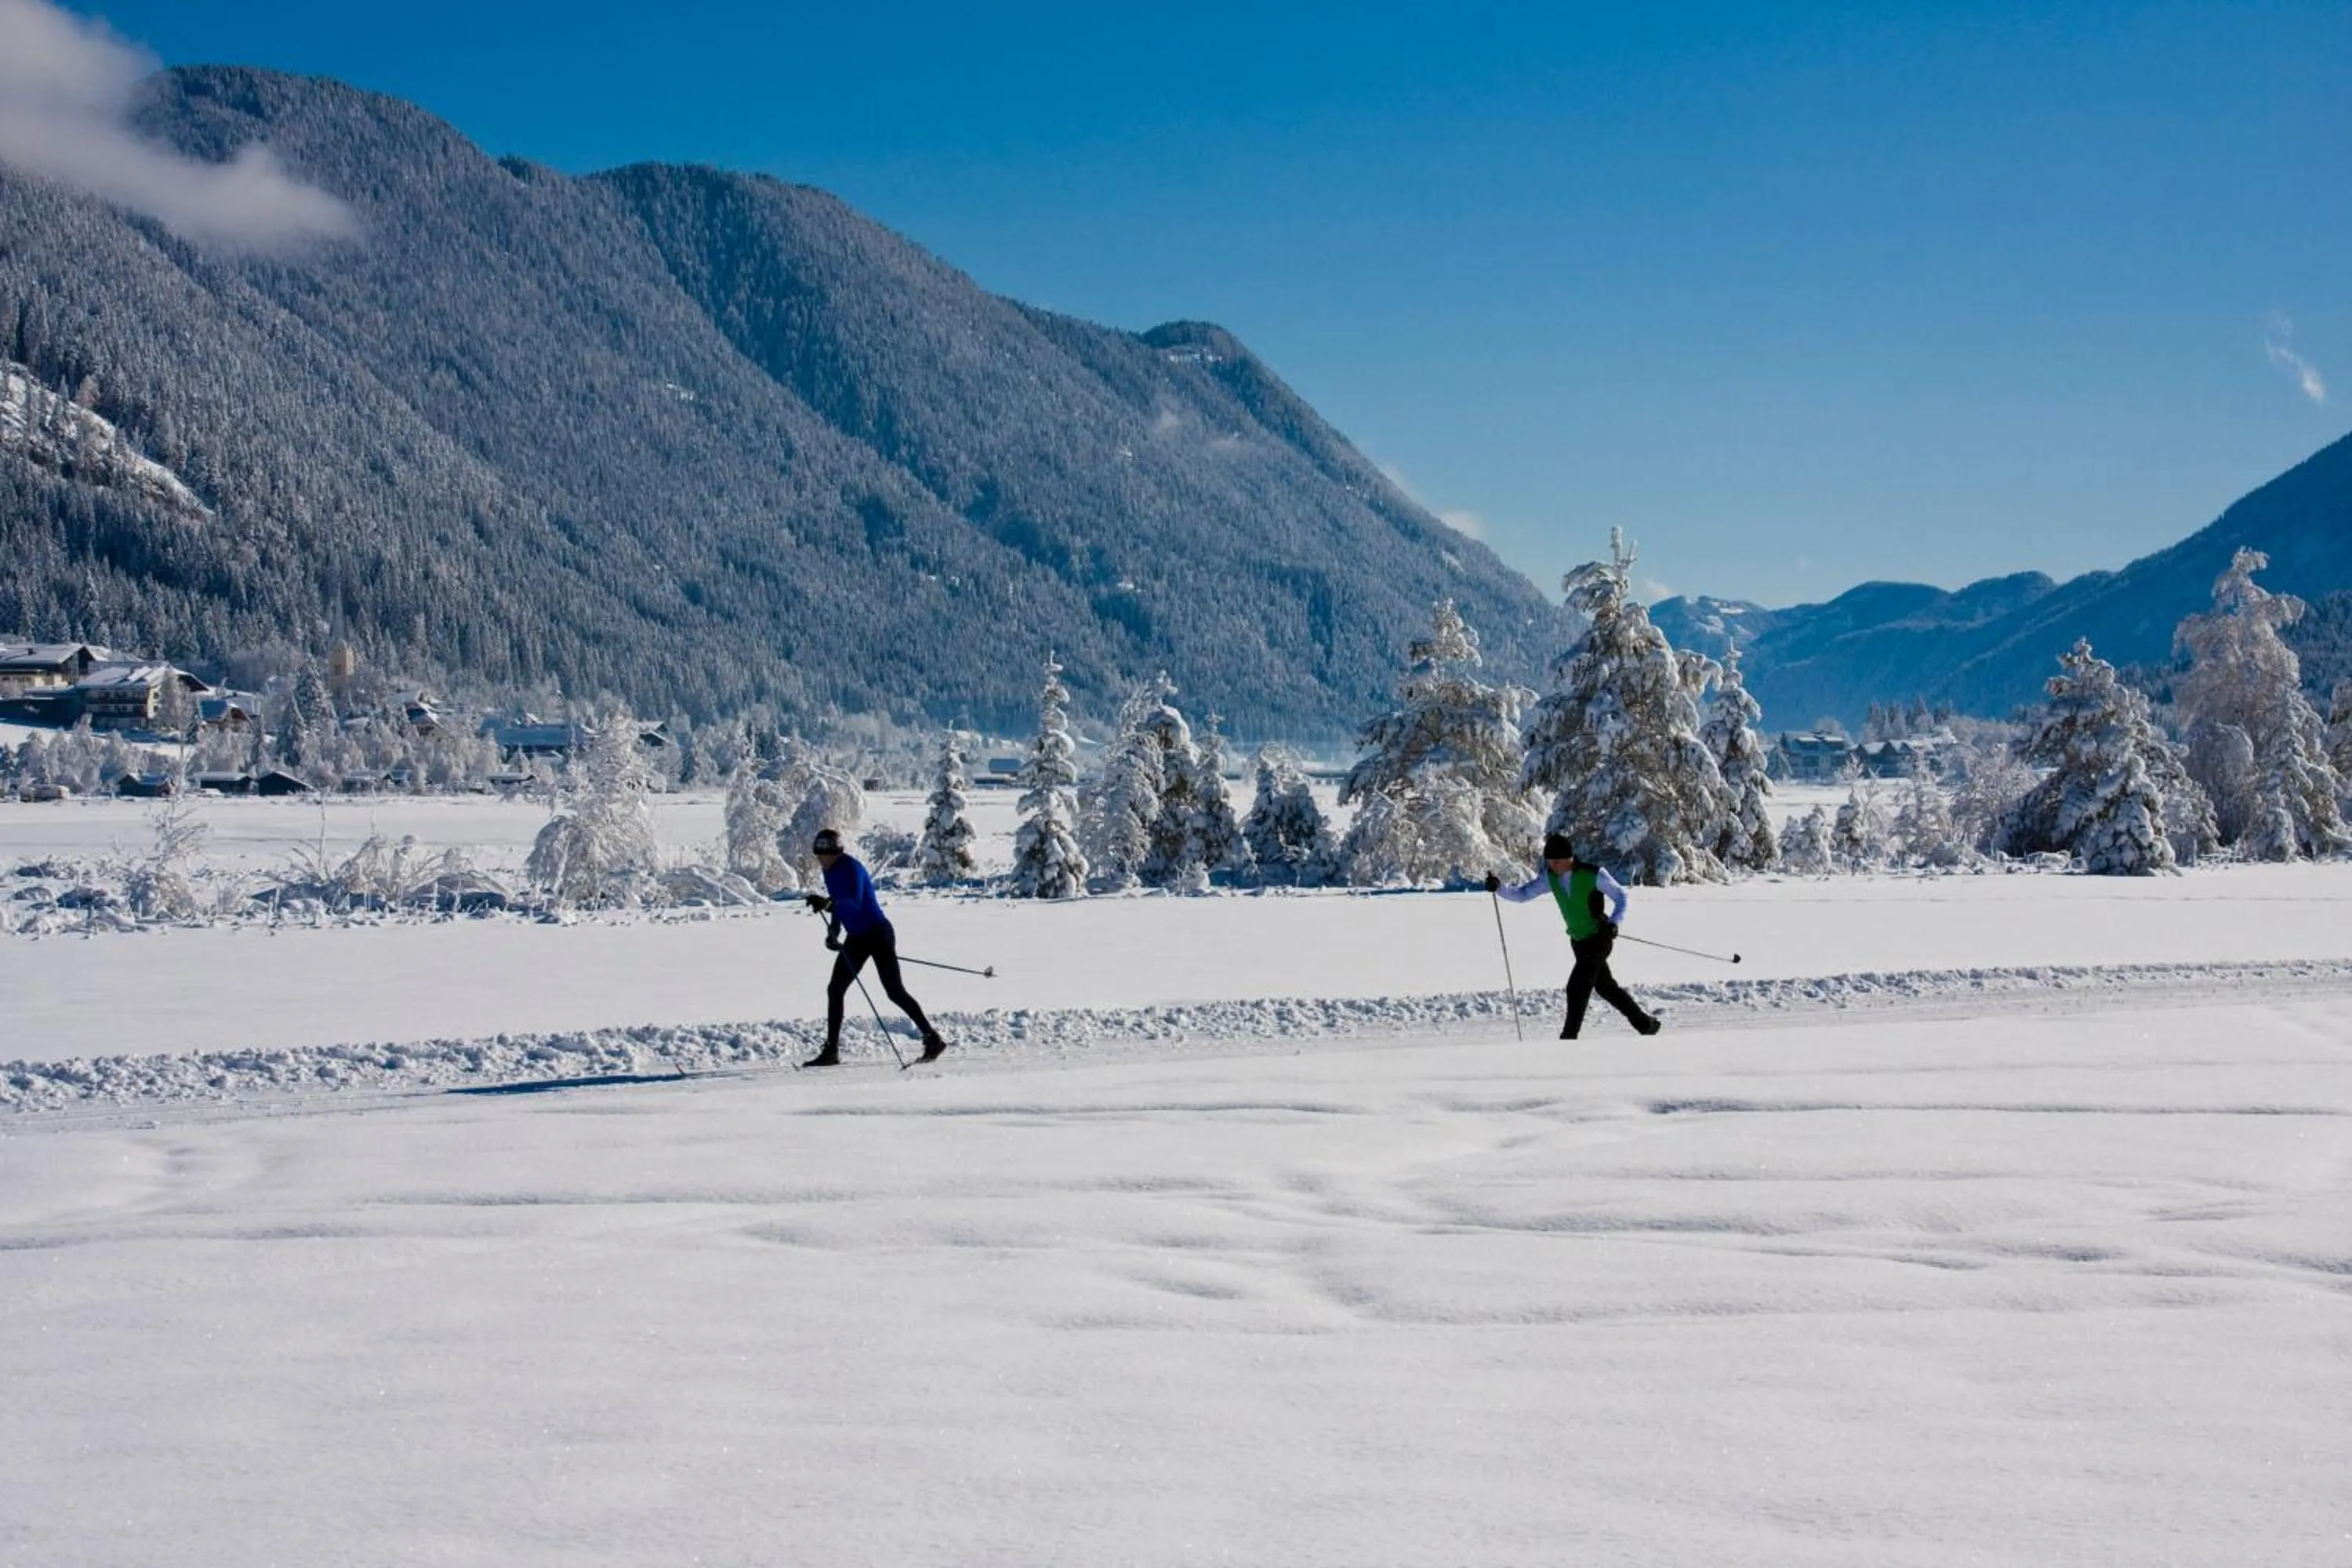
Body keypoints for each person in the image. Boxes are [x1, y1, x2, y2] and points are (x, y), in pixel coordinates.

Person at [1486, 833, 1661, 1040]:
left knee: (1576, 988)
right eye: (1550, 862)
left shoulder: (1593, 874)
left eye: (1557, 861)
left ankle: (1568, 1039)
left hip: (1599, 938)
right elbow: (1523, 894)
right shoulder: (1550, 878)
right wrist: (1499, 888)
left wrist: (1614, 922)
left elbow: (1621, 896)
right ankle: (1646, 1025)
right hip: (1578, 942)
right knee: (1606, 988)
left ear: (1569, 858)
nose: (1553, 866)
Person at [800, 827, 949, 1067]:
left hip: (878, 934)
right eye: (818, 855)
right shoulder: (829, 872)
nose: (820, 860)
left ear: (836, 853)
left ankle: (933, 1039)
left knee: (895, 992)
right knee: (835, 989)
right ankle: (831, 1051)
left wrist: (828, 904)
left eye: (824, 856)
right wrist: (834, 931)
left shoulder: (852, 868)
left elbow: (855, 901)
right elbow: (838, 904)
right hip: (857, 938)